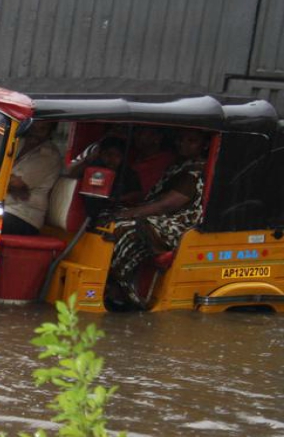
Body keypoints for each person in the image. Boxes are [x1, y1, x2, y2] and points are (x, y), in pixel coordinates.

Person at [104, 129, 209, 310]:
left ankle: (120, 288)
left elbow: (166, 205)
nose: (183, 144)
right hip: (162, 216)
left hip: (179, 223)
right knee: (107, 219)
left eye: (191, 141)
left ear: (204, 145)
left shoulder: (195, 171)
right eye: (181, 139)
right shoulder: (178, 165)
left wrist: (129, 213)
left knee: (129, 228)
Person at [2, 120, 62, 235]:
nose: (35, 133)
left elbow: (17, 184)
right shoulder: (17, 143)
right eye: (33, 128)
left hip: (23, 216)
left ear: (50, 132)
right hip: (4, 208)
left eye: (42, 130)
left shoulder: (49, 156)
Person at [67, 136, 143, 216]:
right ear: (101, 154)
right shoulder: (92, 167)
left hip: (114, 213)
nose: (111, 159)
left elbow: (137, 194)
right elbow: (70, 174)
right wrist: (88, 159)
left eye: (117, 155)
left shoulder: (127, 172)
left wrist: (118, 199)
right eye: (108, 154)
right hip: (84, 213)